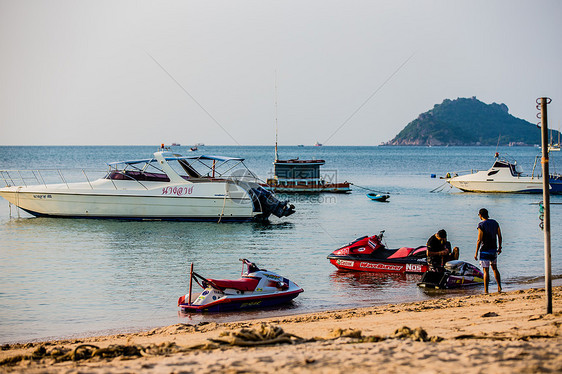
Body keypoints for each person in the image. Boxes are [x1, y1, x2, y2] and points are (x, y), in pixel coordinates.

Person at [474, 208, 502, 293]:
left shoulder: (481, 225)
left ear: (480, 215)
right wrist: (500, 247)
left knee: (485, 271)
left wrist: (476, 253)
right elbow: (499, 236)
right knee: (495, 268)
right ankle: (499, 287)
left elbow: (479, 240)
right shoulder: (495, 223)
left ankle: (486, 290)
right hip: (493, 249)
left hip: (484, 250)